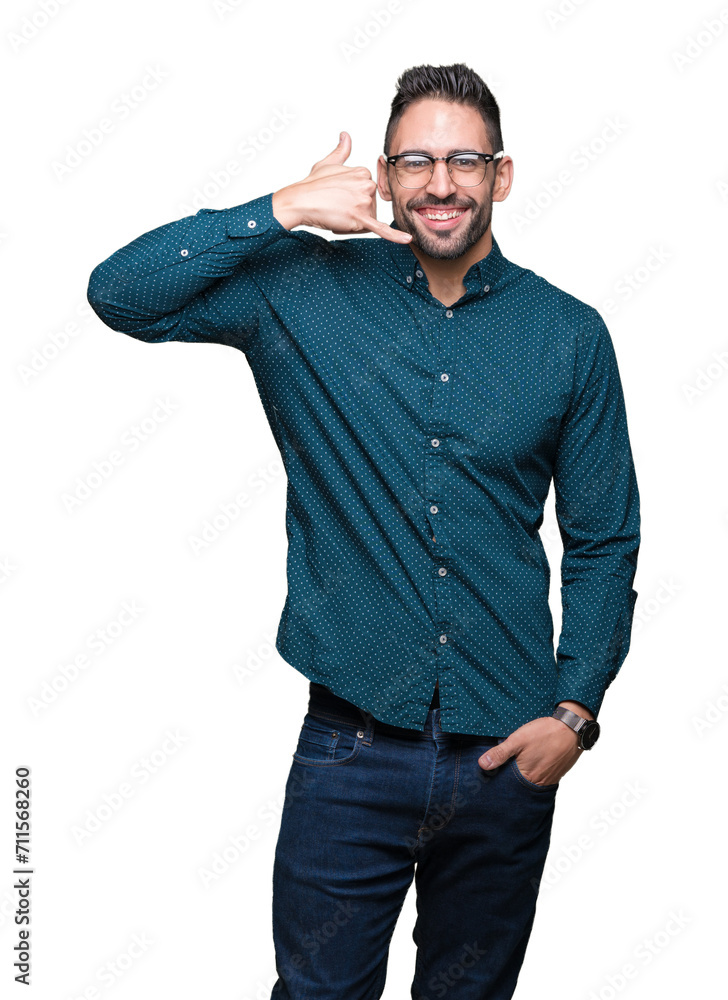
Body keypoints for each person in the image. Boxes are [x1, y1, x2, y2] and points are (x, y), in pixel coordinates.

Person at [87, 62, 640, 1000]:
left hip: (508, 756)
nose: (441, 183)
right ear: (384, 176)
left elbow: (603, 540)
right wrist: (280, 206)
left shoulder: (569, 335)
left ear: (500, 176)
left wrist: (575, 715)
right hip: (349, 749)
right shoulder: (300, 291)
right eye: (416, 159)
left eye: (464, 160)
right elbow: (121, 294)